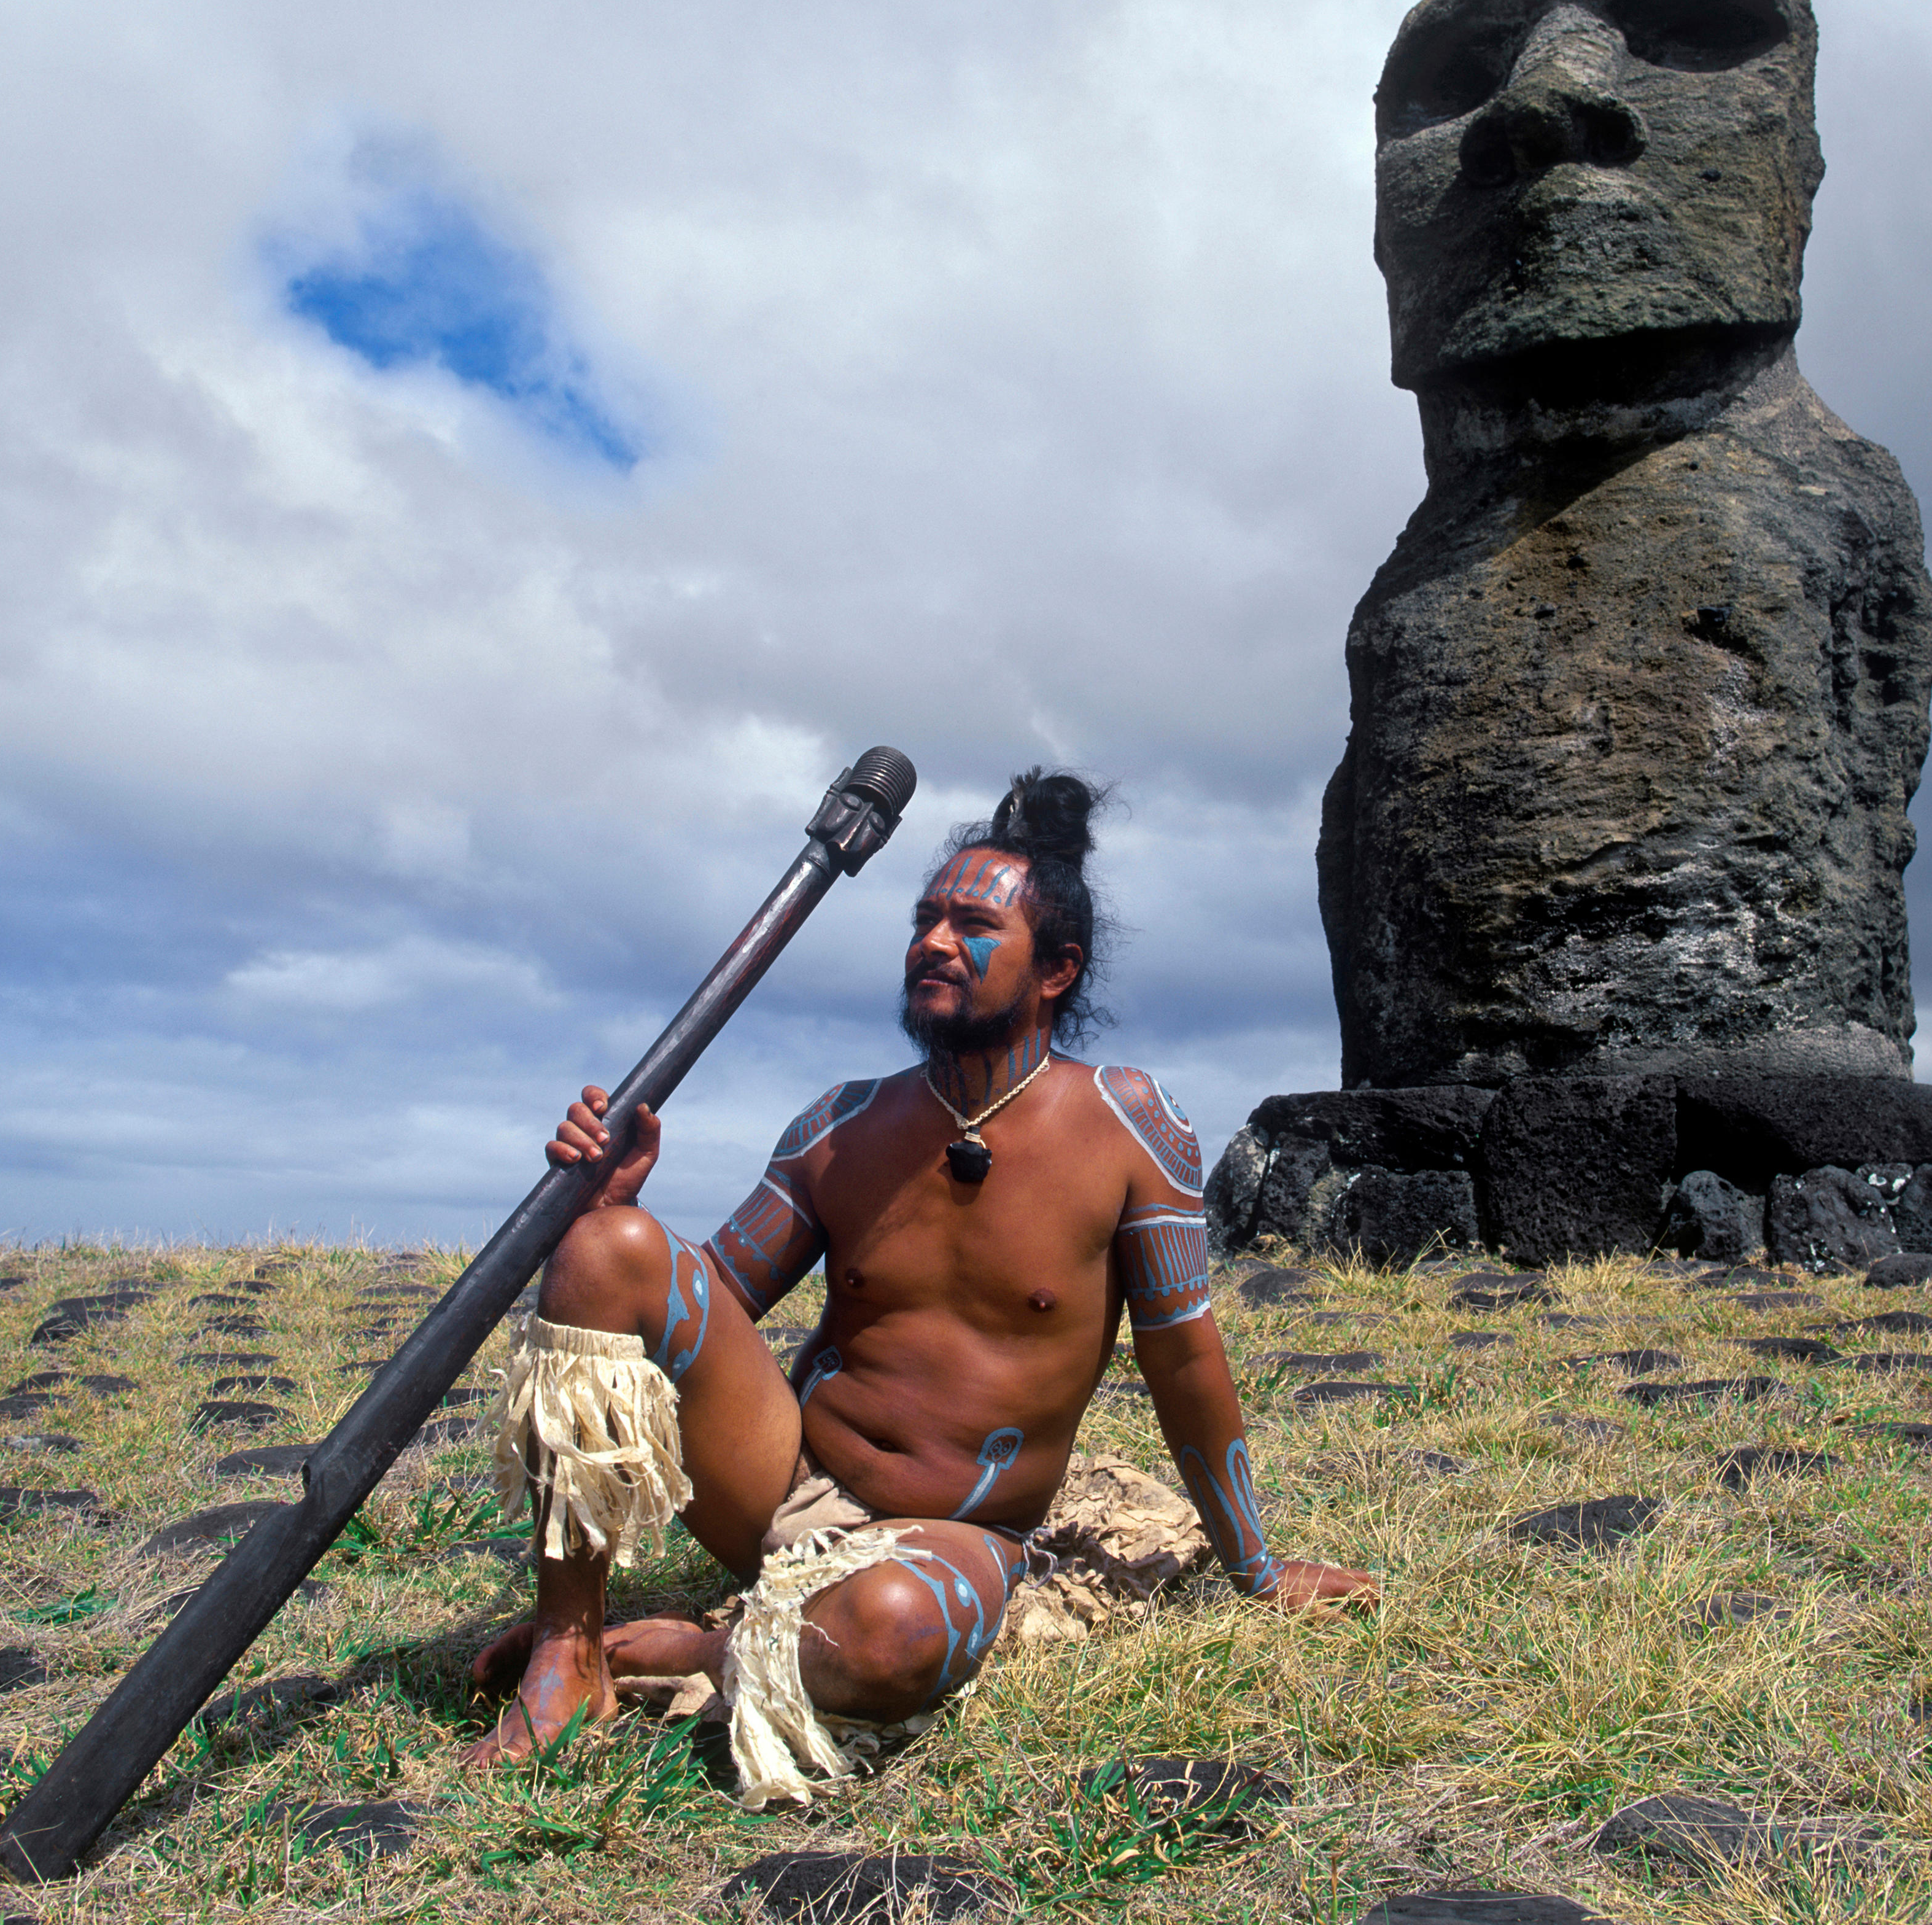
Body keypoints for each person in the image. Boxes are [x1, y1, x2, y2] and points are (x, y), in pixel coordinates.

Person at [464, 768, 1376, 1797]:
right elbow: (700, 1304)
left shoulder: (1130, 1128)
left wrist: (1257, 1567)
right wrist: (606, 1213)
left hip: (962, 1527)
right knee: (604, 1251)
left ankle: (703, 1650)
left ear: (1056, 971)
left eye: (972, 924)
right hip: (780, 1484)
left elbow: (1184, 1361)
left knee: (890, 1635)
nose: (934, 942)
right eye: (925, 919)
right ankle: (569, 1653)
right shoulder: (839, 1126)